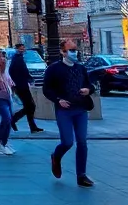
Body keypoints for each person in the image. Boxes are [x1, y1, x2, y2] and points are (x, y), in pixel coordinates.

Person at [43, 39, 94, 188]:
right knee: (67, 142)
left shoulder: (80, 68)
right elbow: (47, 89)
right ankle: (56, 156)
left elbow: (89, 85)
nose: (74, 52)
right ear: (63, 52)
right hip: (64, 110)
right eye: (71, 50)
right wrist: (58, 100)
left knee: (82, 142)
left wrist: (88, 90)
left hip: (80, 109)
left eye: (75, 49)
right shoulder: (54, 69)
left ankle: (81, 175)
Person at [9, 43, 43, 133]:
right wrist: (28, 78)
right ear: (16, 49)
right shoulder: (17, 59)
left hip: (21, 85)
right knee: (30, 106)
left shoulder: (17, 59)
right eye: (20, 49)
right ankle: (13, 119)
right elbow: (21, 71)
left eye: (23, 48)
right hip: (21, 86)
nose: (22, 50)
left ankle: (32, 126)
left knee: (29, 106)